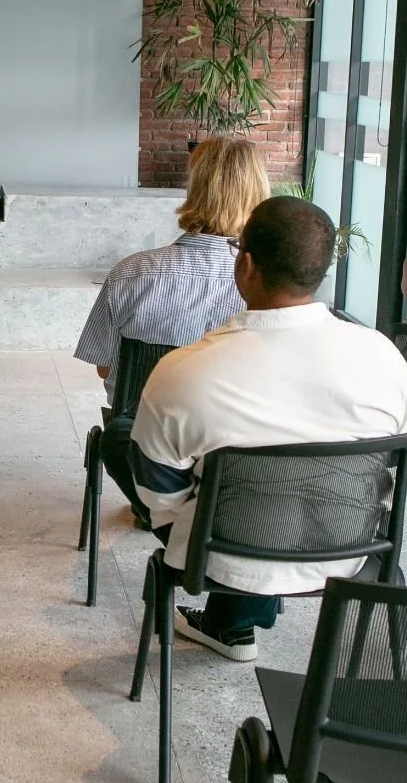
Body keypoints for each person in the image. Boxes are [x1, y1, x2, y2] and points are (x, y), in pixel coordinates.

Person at [131, 196, 407, 662]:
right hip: (351, 553)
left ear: (246, 264)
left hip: (221, 557)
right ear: (320, 271)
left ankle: (234, 617)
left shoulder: (185, 370)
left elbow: (157, 498)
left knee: (133, 443)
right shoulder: (385, 359)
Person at [74, 136, 270, 527]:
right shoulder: (268, 285)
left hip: (144, 445)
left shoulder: (131, 272)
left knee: (124, 431)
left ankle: (158, 511)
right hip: (238, 449)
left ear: (194, 188)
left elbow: (104, 370)